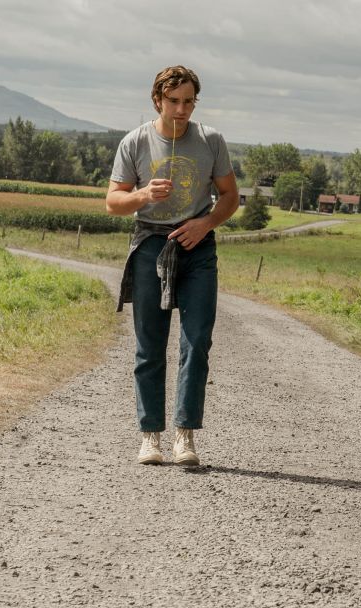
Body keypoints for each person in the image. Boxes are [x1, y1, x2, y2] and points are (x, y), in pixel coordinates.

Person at [105, 65, 239, 466]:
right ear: (158, 100)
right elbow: (113, 202)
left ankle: (185, 435)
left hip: (198, 247)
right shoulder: (135, 142)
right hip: (150, 243)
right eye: (174, 101)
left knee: (197, 342)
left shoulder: (211, 140)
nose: (181, 110)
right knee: (150, 347)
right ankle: (150, 437)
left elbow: (230, 195)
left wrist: (207, 222)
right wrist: (143, 194)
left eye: (189, 102)